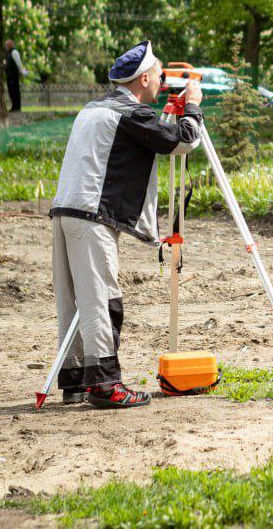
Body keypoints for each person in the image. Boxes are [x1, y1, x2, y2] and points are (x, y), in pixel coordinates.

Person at [48, 41, 203, 409]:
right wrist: (192, 106)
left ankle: (76, 380)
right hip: (91, 218)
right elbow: (181, 141)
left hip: (66, 211)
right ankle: (104, 385)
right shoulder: (130, 114)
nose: (163, 81)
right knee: (102, 300)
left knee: (74, 302)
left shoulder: (96, 108)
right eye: (160, 74)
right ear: (145, 77)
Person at [5, 39, 28, 113]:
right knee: (11, 91)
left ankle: (17, 107)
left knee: (14, 91)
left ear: (10, 45)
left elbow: (18, 63)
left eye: (7, 45)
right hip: (10, 75)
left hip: (13, 75)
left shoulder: (14, 52)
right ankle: (14, 106)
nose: (6, 46)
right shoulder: (9, 53)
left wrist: (21, 71)